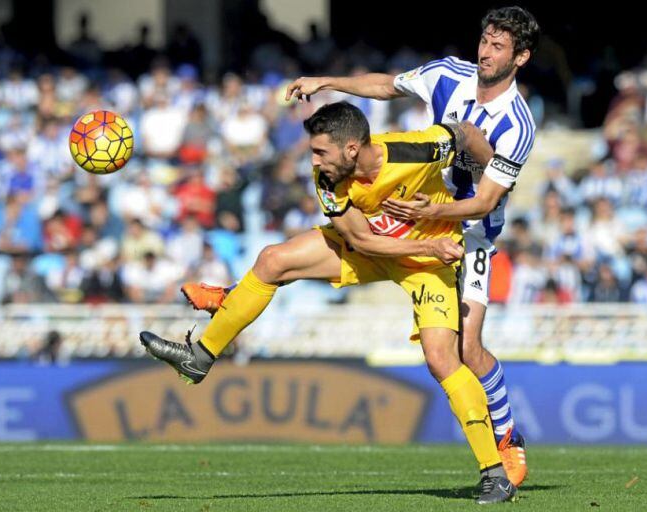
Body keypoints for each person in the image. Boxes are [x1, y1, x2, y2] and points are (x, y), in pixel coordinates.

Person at [141, 101, 516, 503]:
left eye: (321, 151)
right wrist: (422, 240)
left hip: (428, 262)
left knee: (442, 358)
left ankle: (495, 473)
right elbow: (360, 240)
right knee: (273, 260)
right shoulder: (327, 178)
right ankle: (200, 356)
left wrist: (490, 190)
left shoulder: (418, 148)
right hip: (381, 247)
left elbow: (463, 135)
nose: (314, 159)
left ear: (352, 148)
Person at [284, 5, 538, 487]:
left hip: (471, 226)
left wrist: (430, 213)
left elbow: (485, 200)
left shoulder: (518, 126)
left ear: (520, 58)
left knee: (468, 345)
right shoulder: (447, 73)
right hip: (417, 207)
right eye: (485, 40)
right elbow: (385, 85)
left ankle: (507, 437)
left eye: (499, 46)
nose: (485, 51)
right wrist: (326, 81)